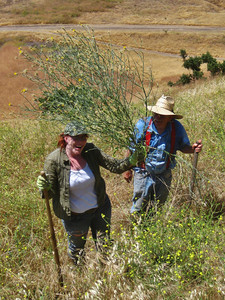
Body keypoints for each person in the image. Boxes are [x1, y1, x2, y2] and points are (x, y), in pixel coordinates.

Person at [37, 121, 144, 265]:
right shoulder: (54, 160)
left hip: (100, 208)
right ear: (66, 138)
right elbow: (48, 194)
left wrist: (131, 160)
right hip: (74, 217)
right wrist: (44, 186)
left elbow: (114, 166)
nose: (81, 142)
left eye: (84, 137)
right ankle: (79, 276)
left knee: (104, 245)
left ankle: (106, 275)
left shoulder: (90, 151)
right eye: (77, 138)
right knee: (77, 250)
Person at [123, 95, 202, 215]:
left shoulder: (176, 128)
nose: (158, 117)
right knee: (138, 208)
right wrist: (127, 169)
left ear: (170, 118)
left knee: (157, 208)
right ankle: (136, 230)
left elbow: (183, 147)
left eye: (162, 115)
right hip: (143, 173)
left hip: (164, 175)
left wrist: (193, 149)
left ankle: (151, 229)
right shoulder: (143, 125)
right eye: (156, 113)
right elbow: (131, 148)